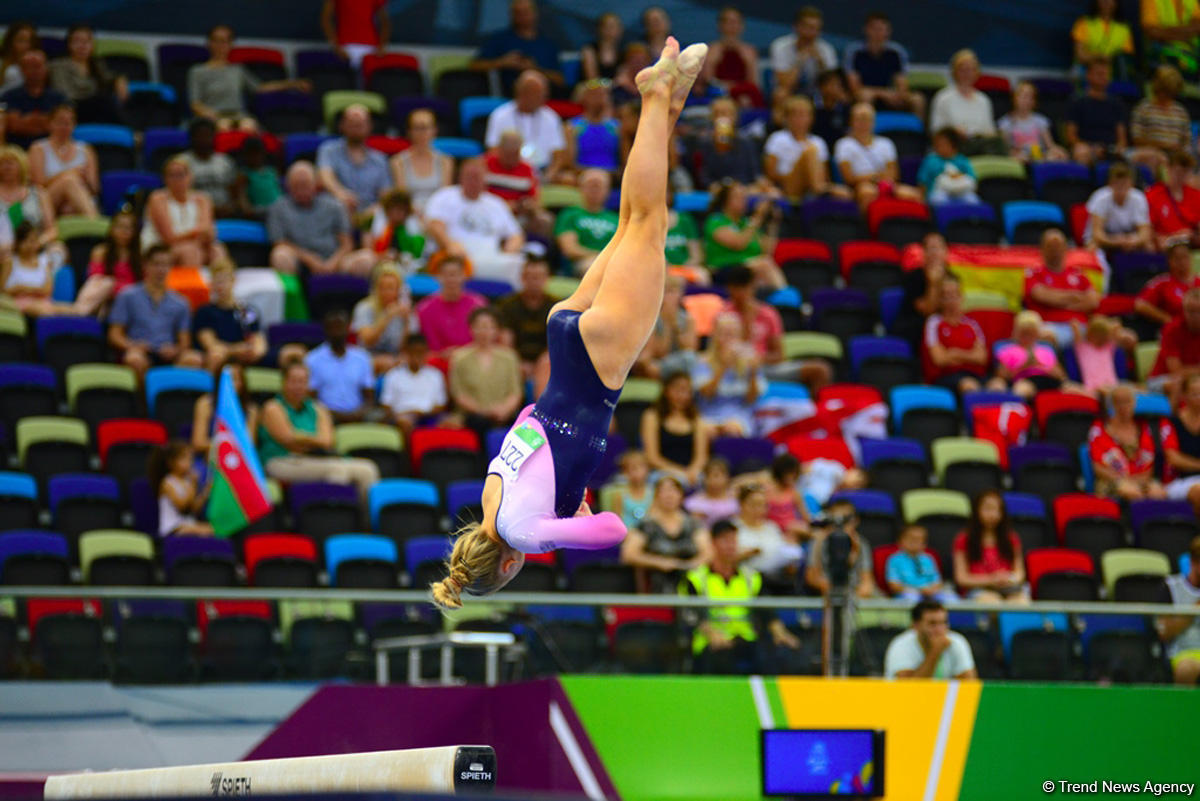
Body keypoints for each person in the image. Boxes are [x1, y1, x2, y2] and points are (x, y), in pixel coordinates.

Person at [430, 37, 709, 608]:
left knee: (649, 222)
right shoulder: (491, 499)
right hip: (567, 338)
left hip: (597, 363)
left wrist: (566, 526)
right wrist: (570, 497)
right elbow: (531, 418)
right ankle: (668, 106)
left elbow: (614, 530)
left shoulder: (523, 535)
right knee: (631, 222)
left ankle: (656, 99)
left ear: (506, 567)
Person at [679, 519, 802, 674]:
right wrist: (712, 634)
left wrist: (779, 632)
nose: (730, 545)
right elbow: (692, 614)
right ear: (713, 543)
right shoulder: (695, 578)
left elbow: (766, 610)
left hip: (747, 638)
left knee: (780, 655)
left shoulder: (751, 577)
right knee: (719, 660)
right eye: (725, 540)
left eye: (733, 540)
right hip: (711, 641)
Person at [258, 359, 380, 502]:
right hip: (281, 461)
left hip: (314, 459)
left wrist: (302, 438)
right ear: (283, 382)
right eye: (293, 381)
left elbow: (327, 441)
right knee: (337, 471)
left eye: (302, 381)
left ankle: (366, 522)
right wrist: (314, 439)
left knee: (368, 469)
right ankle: (329, 520)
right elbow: (288, 439)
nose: (298, 386)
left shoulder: (318, 408)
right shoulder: (273, 407)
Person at [188, 24, 308, 131]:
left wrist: (292, 84)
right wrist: (212, 116)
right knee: (223, 127)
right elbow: (195, 103)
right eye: (216, 41)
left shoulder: (237, 69)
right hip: (213, 117)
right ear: (209, 43)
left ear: (231, 44)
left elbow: (260, 87)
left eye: (225, 41)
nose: (221, 45)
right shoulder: (198, 71)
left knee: (250, 127)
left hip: (239, 116)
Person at [424, 157, 525, 284]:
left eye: (477, 177)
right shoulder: (444, 197)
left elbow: (515, 235)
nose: (473, 181)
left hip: (490, 257)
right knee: (453, 266)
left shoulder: (496, 203)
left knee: (520, 264)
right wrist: (449, 244)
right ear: (461, 178)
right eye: (469, 177)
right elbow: (435, 226)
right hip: (458, 256)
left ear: (485, 179)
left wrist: (509, 250)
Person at [107, 243, 203, 377]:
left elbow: (184, 340)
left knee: (194, 359)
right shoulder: (127, 295)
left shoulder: (181, 302)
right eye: (156, 264)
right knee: (134, 359)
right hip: (140, 350)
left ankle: (176, 397)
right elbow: (114, 334)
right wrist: (132, 345)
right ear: (145, 265)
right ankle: (141, 398)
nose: (161, 269)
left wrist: (175, 350)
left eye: (165, 265)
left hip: (168, 354)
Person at [267, 161, 376, 277]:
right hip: (299, 260)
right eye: (296, 185)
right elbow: (279, 243)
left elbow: (347, 244)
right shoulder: (278, 208)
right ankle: (292, 294)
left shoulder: (334, 205)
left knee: (367, 258)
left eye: (305, 184)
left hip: (334, 260)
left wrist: (332, 263)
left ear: (316, 184)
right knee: (280, 255)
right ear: (288, 186)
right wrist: (310, 260)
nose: (301, 190)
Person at [622, 475, 710, 593]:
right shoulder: (646, 525)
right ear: (656, 496)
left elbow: (708, 553)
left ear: (681, 496)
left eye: (674, 491)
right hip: (658, 586)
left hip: (691, 585)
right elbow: (629, 554)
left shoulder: (693, 523)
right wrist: (660, 563)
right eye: (664, 491)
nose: (669, 496)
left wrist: (690, 565)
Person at [448, 307, 523, 438]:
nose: (484, 332)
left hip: (504, 414)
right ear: (471, 329)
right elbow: (458, 394)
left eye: (489, 327)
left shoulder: (509, 357)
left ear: (497, 331)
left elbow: (515, 392)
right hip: (472, 415)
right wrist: (484, 411)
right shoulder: (459, 357)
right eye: (479, 327)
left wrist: (504, 409)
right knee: (479, 423)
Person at [141, 156, 227, 267]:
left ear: (190, 176)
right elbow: (169, 237)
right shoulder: (158, 198)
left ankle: (221, 283)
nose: (177, 180)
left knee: (217, 250)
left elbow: (207, 231)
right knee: (189, 251)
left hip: (195, 245)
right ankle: (190, 284)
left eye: (181, 174)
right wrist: (196, 235)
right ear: (165, 179)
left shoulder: (202, 199)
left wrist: (197, 237)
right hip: (161, 247)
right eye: (172, 175)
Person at [835, 102, 920, 212]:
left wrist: (874, 178)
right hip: (858, 187)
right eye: (860, 119)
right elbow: (849, 178)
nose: (863, 123)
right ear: (851, 121)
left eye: (867, 120)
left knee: (913, 194)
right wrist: (875, 176)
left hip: (885, 184)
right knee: (867, 192)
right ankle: (866, 228)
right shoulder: (844, 144)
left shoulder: (886, 143)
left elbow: (894, 174)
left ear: (873, 122)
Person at [1089, 383, 1166, 502]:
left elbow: (1149, 466)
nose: (1123, 406)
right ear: (1112, 405)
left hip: (1140, 479)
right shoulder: (1099, 429)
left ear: (1134, 403)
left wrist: (1137, 481)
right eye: (1119, 402)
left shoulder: (1144, 429)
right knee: (1131, 492)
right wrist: (1123, 480)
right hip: (1111, 480)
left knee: (1158, 492)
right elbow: (1097, 467)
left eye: (1127, 401)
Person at [1024, 228, 1101, 347]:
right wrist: (1076, 297)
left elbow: (1093, 301)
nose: (1055, 250)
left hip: (1082, 325)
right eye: (1050, 246)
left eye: (1058, 245)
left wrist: (1058, 299)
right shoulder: (1034, 273)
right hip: (1050, 325)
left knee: (1114, 334)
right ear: (1042, 249)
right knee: (1046, 337)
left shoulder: (1078, 273)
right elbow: (1042, 296)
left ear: (1066, 248)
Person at [484, 71, 568, 179]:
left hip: (544, 169)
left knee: (567, 179)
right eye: (530, 92)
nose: (535, 97)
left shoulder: (551, 117)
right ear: (519, 92)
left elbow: (559, 155)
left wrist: (550, 174)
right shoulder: (500, 115)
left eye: (539, 94)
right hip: (510, 169)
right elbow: (493, 150)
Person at [692, 312, 763, 437]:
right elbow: (706, 394)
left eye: (732, 334)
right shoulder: (702, 361)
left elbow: (752, 398)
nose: (728, 339)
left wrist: (753, 372)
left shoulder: (748, 360)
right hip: (708, 414)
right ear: (715, 336)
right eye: (724, 334)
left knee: (732, 429)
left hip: (739, 415)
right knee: (707, 431)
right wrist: (723, 367)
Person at [922, 274, 996, 394]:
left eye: (954, 295)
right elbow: (939, 359)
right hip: (947, 377)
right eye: (946, 296)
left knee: (997, 385)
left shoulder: (972, 324)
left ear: (961, 297)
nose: (951, 300)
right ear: (940, 300)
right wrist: (969, 356)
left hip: (975, 375)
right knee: (969, 385)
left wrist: (954, 353)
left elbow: (982, 358)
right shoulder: (934, 323)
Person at [317, 104, 392, 221]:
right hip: (336, 210)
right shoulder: (328, 150)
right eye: (351, 123)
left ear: (370, 126)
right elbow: (326, 178)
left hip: (370, 215)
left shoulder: (380, 159)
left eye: (361, 124)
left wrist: (371, 212)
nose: (356, 127)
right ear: (342, 125)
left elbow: (385, 195)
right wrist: (341, 194)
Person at [952, 490, 1029, 603]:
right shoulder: (963, 539)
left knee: (1021, 602)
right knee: (992, 602)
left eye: (998, 510)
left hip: (1008, 588)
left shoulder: (1011, 538)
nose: (993, 514)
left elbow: (1020, 573)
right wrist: (991, 580)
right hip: (978, 590)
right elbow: (961, 578)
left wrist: (1009, 579)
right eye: (988, 509)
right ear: (976, 510)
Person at [703, 182, 784, 289]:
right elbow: (738, 243)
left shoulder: (746, 223)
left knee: (765, 265)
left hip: (751, 269)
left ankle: (783, 298)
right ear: (725, 201)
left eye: (744, 197)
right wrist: (758, 217)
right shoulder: (716, 221)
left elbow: (767, 251)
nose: (743, 201)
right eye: (738, 197)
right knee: (765, 265)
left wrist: (772, 225)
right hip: (725, 269)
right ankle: (785, 295)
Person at [472, 0, 564, 94]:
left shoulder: (547, 44)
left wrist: (534, 69)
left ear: (535, 13)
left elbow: (560, 80)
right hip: (507, 96)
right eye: (517, 12)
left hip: (541, 99)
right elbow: (474, 66)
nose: (522, 17)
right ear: (511, 15)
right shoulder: (500, 40)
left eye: (525, 12)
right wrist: (502, 62)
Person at [843, 11, 924, 117]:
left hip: (890, 94)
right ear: (866, 30)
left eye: (882, 29)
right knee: (865, 96)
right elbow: (855, 87)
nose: (878, 33)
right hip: (867, 93)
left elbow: (902, 83)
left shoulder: (896, 52)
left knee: (917, 99)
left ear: (888, 32)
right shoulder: (854, 51)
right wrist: (882, 94)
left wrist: (898, 95)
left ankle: (917, 131)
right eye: (875, 29)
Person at [305, 309, 378, 424]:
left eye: (340, 326)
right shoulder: (312, 359)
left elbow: (369, 398)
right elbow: (311, 399)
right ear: (325, 329)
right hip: (326, 417)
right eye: (332, 327)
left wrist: (358, 413)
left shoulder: (362, 358)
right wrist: (332, 415)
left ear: (348, 328)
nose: (336, 332)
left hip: (358, 415)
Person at [192, 260, 266, 370]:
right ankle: (211, 386)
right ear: (211, 284)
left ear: (233, 281)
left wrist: (256, 350)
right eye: (217, 281)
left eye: (224, 280)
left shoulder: (245, 311)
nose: (221, 285)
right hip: (221, 355)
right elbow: (211, 345)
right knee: (215, 355)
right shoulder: (205, 311)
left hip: (244, 355)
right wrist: (236, 349)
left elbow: (258, 339)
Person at [48, 24, 127, 125]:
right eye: (77, 41)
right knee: (104, 102)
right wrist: (90, 100)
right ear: (69, 44)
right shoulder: (58, 65)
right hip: (72, 109)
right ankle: (128, 132)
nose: (82, 46)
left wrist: (119, 80)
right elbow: (63, 95)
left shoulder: (96, 64)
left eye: (86, 42)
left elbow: (110, 77)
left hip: (98, 109)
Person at [28, 103, 98, 218]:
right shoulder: (38, 148)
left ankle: (90, 221)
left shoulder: (85, 150)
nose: (64, 126)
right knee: (68, 181)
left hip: (77, 201)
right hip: (48, 200)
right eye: (60, 122)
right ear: (50, 123)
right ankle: (96, 223)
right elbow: (38, 186)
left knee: (71, 201)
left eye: (68, 122)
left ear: (74, 125)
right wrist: (68, 174)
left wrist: (84, 180)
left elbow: (94, 188)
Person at [641, 371, 707, 486]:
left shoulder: (697, 420)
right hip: (661, 471)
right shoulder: (652, 416)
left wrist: (692, 471)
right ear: (666, 391)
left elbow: (701, 457)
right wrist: (679, 472)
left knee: (708, 482)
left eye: (687, 391)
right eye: (678, 390)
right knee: (669, 484)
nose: (682, 395)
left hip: (691, 473)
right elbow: (652, 457)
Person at [494, 253, 555, 377]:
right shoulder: (507, 305)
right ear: (522, 278)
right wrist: (517, 362)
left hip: (547, 361)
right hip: (515, 360)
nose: (534, 281)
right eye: (530, 277)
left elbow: (557, 342)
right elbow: (505, 339)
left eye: (538, 277)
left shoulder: (556, 306)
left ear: (547, 279)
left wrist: (542, 365)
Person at [413, 256, 487, 356]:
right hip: (437, 361)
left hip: (473, 359)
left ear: (464, 276)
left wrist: (462, 353)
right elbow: (424, 346)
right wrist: (442, 354)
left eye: (455, 275)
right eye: (446, 275)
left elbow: (486, 340)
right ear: (438, 277)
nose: (451, 279)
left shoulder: (478, 305)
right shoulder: (424, 309)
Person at [884, 600, 977, 679]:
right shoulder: (901, 645)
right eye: (932, 624)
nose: (939, 630)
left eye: (943, 623)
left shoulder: (957, 642)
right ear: (916, 625)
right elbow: (908, 690)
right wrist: (935, 652)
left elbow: (970, 685)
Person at [484, 129, 551, 239]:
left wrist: (530, 206)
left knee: (544, 220)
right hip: (490, 212)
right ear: (499, 149)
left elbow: (536, 200)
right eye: (508, 154)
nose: (511, 159)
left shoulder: (527, 169)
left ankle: (535, 249)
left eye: (515, 154)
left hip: (518, 214)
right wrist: (503, 206)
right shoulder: (485, 164)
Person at [929, 49, 998, 154]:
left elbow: (990, 131)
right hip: (954, 147)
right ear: (954, 72)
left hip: (980, 147)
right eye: (963, 69)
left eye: (971, 69)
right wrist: (954, 132)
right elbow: (936, 131)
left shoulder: (984, 100)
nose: (967, 74)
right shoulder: (943, 98)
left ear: (977, 72)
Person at [733, 484, 802, 589]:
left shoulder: (772, 528)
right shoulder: (734, 528)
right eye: (753, 505)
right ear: (741, 504)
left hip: (774, 581)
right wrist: (748, 554)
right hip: (745, 580)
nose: (758, 510)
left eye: (762, 505)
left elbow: (782, 554)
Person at [763, 96, 832, 200]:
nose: (800, 120)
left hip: (812, 184)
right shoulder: (778, 139)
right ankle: (820, 191)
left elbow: (825, 174)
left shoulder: (819, 142)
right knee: (811, 151)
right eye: (796, 115)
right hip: (786, 185)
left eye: (804, 115)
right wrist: (795, 174)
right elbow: (770, 173)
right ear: (787, 118)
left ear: (811, 118)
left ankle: (818, 191)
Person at [805, 499, 876, 599]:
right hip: (827, 595)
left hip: (854, 595)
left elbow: (867, 583)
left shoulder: (861, 544)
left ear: (856, 521)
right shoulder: (819, 542)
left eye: (846, 521)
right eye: (836, 521)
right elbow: (812, 578)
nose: (841, 526)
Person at [379, 334, 447, 439]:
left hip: (428, 417)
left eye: (421, 353)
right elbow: (387, 405)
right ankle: (409, 455)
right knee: (405, 423)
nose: (417, 357)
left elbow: (440, 405)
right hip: (402, 418)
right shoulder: (393, 375)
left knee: (451, 423)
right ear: (406, 352)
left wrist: (419, 413)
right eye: (413, 353)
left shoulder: (435, 375)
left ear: (426, 353)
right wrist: (403, 415)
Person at [351, 261, 414, 375]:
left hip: (395, 359)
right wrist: (387, 317)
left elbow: (406, 348)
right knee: (384, 363)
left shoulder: (405, 310)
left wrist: (407, 323)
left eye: (390, 288)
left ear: (399, 289)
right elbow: (367, 340)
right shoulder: (364, 307)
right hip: (367, 358)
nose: (386, 292)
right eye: (382, 287)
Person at [0, 220, 71, 316]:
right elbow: (3, 291)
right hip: (17, 304)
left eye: (34, 241)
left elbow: (47, 289)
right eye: (28, 241)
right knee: (44, 311)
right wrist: (34, 291)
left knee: (71, 310)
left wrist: (21, 288)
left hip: (43, 302)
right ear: (18, 243)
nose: (31, 245)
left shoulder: (44, 261)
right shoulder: (10, 262)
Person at [389, 108, 453, 215]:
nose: (422, 133)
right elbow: (403, 197)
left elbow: (444, 197)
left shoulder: (445, 161)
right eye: (417, 128)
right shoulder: (398, 162)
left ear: (434, 130)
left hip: (437, 213)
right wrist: (418, 214)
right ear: (409, 132)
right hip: (409, 213)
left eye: (426, 128)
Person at [555, 168, 618, 276]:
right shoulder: (570, 214)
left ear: (607, 191)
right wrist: (597, 255)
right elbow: (569, 248)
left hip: (612, 262)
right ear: (581, 188)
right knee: (594, 267)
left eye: (599, 186)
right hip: (581, 262)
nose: (595, 190)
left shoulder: (616, 219)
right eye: (591, 185)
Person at [1065, 58, 1128, 166]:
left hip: (1112, 148)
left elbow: (1122, 136)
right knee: (1081, 152)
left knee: (1151, 156)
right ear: (1088, 75)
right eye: (1099, 74)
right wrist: (1090, 147)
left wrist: (1119, 148)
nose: (1103, 77)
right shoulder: (1077, 101)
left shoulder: (1116, 103)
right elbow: (1071, 136)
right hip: (1088, 147)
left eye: (1106, 74)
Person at [1130, 65, 1191, 175]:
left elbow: (1186, 140)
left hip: (1176, 155)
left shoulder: (1180, 111)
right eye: (1164, 91)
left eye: (1170, 92)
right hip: (1151, 153)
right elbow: (1137, 139)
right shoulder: (1143, 108)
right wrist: (1164, 145)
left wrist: (1179, 150)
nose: (1166, 95)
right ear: (1157, 88)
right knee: (1158, 158)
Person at [994, 310, 1070, 399]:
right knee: (1021, 390)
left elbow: (1061, 375)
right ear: (1017, 333)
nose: (1028, 337)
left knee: (1073, 389)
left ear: (1037, 334)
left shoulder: (1046, 350)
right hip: (1024, 380)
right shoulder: (1007, 351)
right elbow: (1002, 376)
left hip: (1049, 380)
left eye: (1031, 333)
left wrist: (1042, 366)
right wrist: (1024, 366)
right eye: (1024, 333)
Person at [78, 208, 140, 315]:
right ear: (112, 229)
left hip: (130, 301)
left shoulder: (139, 256)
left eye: (128, 228)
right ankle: (79, 310)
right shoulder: (101, 252)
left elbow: (140, 284)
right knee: (106, 283)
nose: (124, 232)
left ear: (135, 232)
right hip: (105, 299)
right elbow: (96, 281)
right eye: (120, 227)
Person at [0, 145, 59, 256]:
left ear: (22, 165)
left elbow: (52, 230)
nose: (7, 167)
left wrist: (38, 242)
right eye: (3, 163)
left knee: (57, 250)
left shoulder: (39, 193)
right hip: (2, 248)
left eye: (11, 162)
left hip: (34, 246)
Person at [191, 359, 258, 457]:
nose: (230, 384)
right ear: (219, 381)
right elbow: (198, 442)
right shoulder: (205, 404)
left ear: (242, 383)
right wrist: (227, 446)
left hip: (239, 460)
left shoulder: (251, 410)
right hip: (210, 457)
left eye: (234, 379)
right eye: (226, 379)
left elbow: (250, 445)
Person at [0, 50, 67, 149]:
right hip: (17, 149)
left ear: (46, 68)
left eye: (38, 66)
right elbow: (14, 125)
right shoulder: (9, 96)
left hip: (52, 149)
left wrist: (26, 120)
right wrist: (45, 120)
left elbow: (60, 126)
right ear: (22, 70)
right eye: (30, 67)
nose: (35, 71)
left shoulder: (59, 97)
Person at [894, 231, 950, 348]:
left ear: (946, 251)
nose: (934, 253)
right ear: (923, 253)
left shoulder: (952, 277)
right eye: (930, 249)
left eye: (938, 248)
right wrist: (933, 284)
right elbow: (928, 311)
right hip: (916, 330)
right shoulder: (913, 277)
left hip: (944, 329)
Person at [769, 7, 838, 102]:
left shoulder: (826, 49)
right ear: (797, 27)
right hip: (792, 92)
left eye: (817, 29)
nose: (813, 33)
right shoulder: (780, 46)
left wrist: (821, 63)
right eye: (809, 28)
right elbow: (784, 84)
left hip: (818, 93)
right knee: (781, 93)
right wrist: (799, 62)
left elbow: (833, 84)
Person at [1086, 161, 1154, 255]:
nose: (1121, 187)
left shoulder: (1138, 198)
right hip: (1105, 239)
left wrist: (1133, 241)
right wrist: (1116, 242)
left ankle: (1147, 269)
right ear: (1110, 183)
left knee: (1149, 246)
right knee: (1093, 247)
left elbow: (1145, 233)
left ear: (1131, 184)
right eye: (1117, 183)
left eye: (1124, 183)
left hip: (1128, 238)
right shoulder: (1100, 198)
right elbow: (1097, 234)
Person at [694, 97, 762, 188]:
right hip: (715, 191)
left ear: (735, 117)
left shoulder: (746, 142)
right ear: (712, 118)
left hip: (743, 189)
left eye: (728, 113)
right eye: (719, 114)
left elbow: (754, 173)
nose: (723, 117)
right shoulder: (704, 143)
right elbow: (703, 176)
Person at [150, 440, 213, 537]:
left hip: (188, 524)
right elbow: (183, 507)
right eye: (184, 459)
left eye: (190, 459)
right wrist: (193, 485)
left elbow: (194, 509)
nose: (189, 463)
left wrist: (205, 492)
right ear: (171, 462)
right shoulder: (167, 482)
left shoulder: (187, 480)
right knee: (206, 530)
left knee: (214, 529)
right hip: (172, 528)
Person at [178, 117, 237, 218]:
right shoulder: (182, 162)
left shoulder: (225, 161)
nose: (204, 139)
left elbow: (234, 190)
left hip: (224, 212)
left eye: (207, 135)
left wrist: (230, 207)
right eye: (200, 135)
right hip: (192, 213)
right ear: (192, 137)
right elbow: (178, 192)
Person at [1160, 536, 1200, 684]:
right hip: (1184, 654)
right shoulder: (1171, 586)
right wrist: (1194, 611)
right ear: (1193, 562)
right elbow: (1164, 632)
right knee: (1187, 669)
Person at [998, 81, 1069, 163]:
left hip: (1040, 156)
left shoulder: (1040, 121)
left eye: (1030, 97)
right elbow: (1005, 148)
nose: (1026, 100)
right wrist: (1014, 153)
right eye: (1023, 96)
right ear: (1014, 98)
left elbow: (1050, 145)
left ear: (1034, 101)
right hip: (1019, 156)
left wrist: (1059, 151)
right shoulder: (1006, 122)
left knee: (1057, 155)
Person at [886, 525, 958, 604]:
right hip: (908, 593)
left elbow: (937, 581)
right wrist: (919, 590)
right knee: (912, 599)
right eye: (912, 539)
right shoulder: (894, 559)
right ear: (900, 541)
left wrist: (932, 590)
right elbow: (894, 585)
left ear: (925, 543)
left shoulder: (928, 559)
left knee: (951, 598)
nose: (915, 542)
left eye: (920, 540)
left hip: (930, 593)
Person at [1160, 376, 1200, 514]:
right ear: (1184, 396)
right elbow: (1173, 458)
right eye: (1195, 394)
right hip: (1179, 481)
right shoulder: (1171, 422)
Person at [1151, 288, 1200, 400]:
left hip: (1194, 380)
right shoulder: (1172, 329)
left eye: (1199, 311)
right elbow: (1177, 371)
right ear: (1184, 311)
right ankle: (1174, 417)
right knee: (1178, 384)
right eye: (1191, 311)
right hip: (1164, 379)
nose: (1195, 316)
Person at [1137, 241, 1200, 327]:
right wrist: (1167, 319)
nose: (1182, 262)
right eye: (1178, 258)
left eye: (1185, 257)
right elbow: (1140, 305)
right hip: (1177, 330)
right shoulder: (1162, 282)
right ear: (1170, 261)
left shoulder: (1198, 280)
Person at [703, 6, 760, 101]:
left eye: (735, 22)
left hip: (742, 94)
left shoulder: (750, 51)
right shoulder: (711, 49)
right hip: (718, 92)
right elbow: (708, 81)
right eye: (728, 22)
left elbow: (753, 83)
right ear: (720, 25)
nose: (732, 26)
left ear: (742, 26)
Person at [1147, 151, 1200, 249]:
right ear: (1168, 169)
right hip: (1166, 245)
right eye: (1178, 172)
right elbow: (1149, 230)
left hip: (1190, 244)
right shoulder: (1153, 195)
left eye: (1185, 172)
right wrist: (1174, 236)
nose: (1181, 177)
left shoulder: (1196, 195)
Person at [567, 79, 620, 173]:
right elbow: (570, 163)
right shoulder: (572, 127)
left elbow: (625, 161)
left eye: (603, 94)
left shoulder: (617, 127)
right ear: (583, 98)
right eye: (594, 94)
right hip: (582, 177)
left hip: (612, 177)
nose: (600, 98)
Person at [917, 127, 979, 204]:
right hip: (938, 192)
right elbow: (922, 182)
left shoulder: (962, 160)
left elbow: (972, 180)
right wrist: (923, 199)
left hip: (961, 193)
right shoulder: (930, 160)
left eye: (943, 144)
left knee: (973, 200)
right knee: (938, 200)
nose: (939, 147)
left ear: (953, 145)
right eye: (937, 144)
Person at [321, 0, 389, 69]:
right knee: (341, 78)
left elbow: (385, 22)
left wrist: (381, 47)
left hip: (371, 49)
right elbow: (326, 19)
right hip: (345, 48)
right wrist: (336, 46)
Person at [1142, 0, 1200, 80]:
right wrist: (1186, 33)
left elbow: (1198, 25)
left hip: (1192, 50)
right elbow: (1152, 32)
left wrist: (1167, 31)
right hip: (1163, 50)